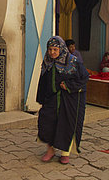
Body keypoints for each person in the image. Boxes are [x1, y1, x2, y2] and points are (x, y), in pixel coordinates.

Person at [36, 36, 89, 165]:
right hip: (51, 99)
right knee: (46, 122)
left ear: (61, 49)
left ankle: (65, 153)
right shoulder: (47, 61)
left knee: (67, 124)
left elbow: (84, 78)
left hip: (69, 99)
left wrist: (68, 86)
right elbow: (43, 81)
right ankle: (50, 150)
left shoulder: (73, 61)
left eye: (55, 49)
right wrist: (41, 98)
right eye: (50, 49)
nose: (52, 52)